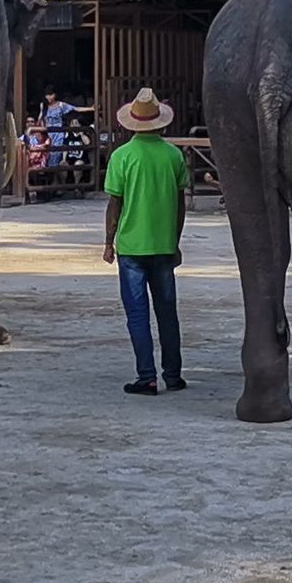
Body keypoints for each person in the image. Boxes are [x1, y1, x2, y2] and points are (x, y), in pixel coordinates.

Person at [101, 87, 189, 395]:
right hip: (164, 246)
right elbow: (180, 205)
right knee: (168, 313)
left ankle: (146, 376)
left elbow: (115, 204)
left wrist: (108, 241)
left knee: (137, 315)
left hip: (131, 248)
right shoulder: (174, 155)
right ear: (160, 122)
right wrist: (175, 241)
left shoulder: (121, 157)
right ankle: (174, 375)